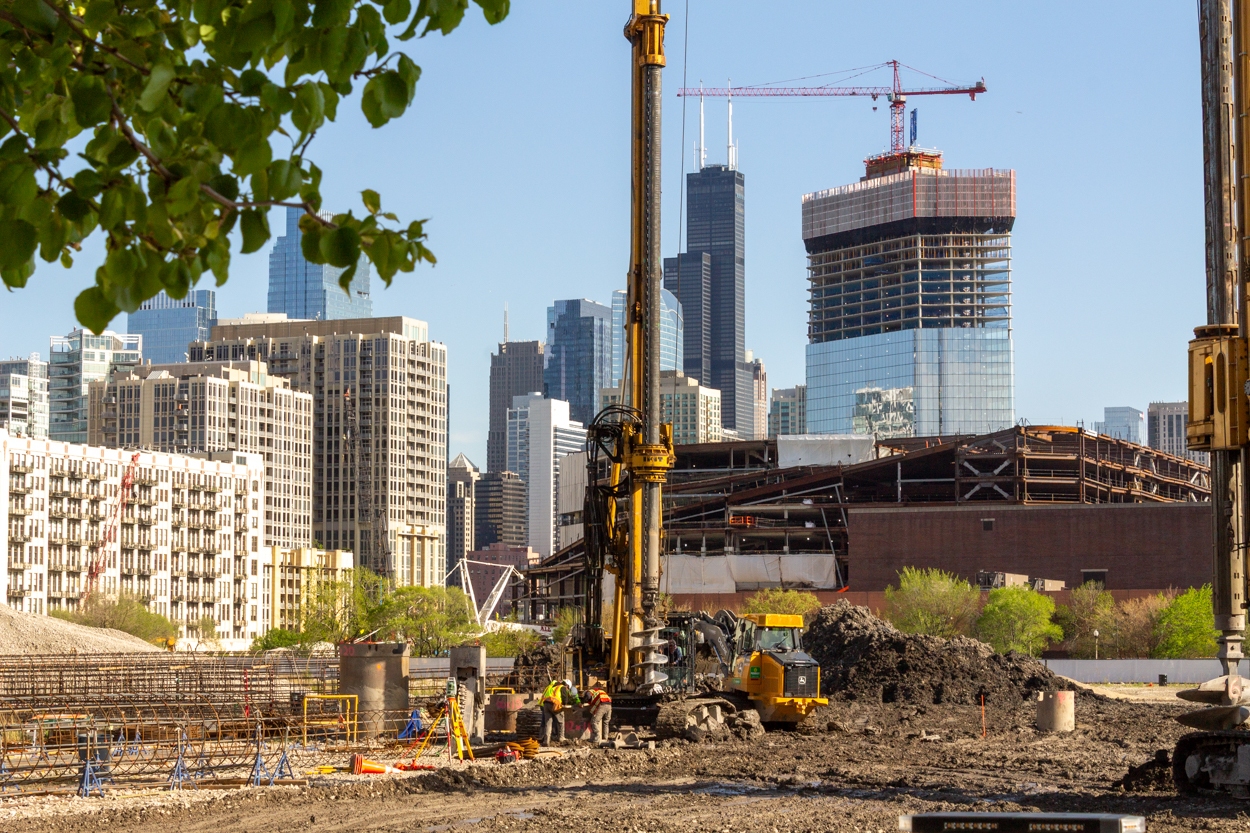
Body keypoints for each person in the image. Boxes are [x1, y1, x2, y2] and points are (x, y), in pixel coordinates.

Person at [540, 678, 579, 746]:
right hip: (554, 704)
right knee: (561, 721)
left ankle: (546, 741)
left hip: (546, 704)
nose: (567, 689)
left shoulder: (553, 686)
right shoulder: (562, 687)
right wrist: (565, 704)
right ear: (567, 685)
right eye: (568, 688)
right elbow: (564, 697)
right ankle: (561, 737)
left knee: (548, 723)